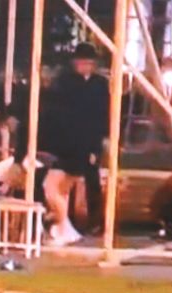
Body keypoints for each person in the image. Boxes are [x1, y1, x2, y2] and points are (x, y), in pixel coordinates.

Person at [41, 44, 109, 245]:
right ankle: (67, 220)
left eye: (87, 62)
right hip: (69, 138)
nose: (84, 66)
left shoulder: (99, 84)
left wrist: (102, 139)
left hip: (91, 138)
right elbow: (57, 110)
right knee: (64, 182)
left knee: (91, 179)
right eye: (80, 62)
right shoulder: (66, 82)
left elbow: (103, 112)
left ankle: (95, 221)